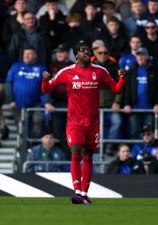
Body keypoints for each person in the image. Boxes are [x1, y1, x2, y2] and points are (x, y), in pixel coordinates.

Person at [41, 41, 126, 204]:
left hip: (93, 123)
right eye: (83, 51)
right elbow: (47, 89)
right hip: (75, 122)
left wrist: (122, 78)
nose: (87, 53)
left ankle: (84, 194)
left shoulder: (100, 71)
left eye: (88, 51)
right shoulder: (67, 72)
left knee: (88, 157)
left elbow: (116, 89)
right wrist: (45, 80)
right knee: (75, 154)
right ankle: (77, 192)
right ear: (76, 55)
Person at [122, 47, 158, 139]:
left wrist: (157, 104)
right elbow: (126, 89)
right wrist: (126, 104)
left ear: (147, 56)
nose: (140, 57)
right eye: (138, 55)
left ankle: (148, 151)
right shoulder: (131, 71)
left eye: (142, 55)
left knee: (149, 132)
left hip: (150, 108)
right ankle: (135, 152)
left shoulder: (154, 70)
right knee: (134, 131)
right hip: (134, 109)